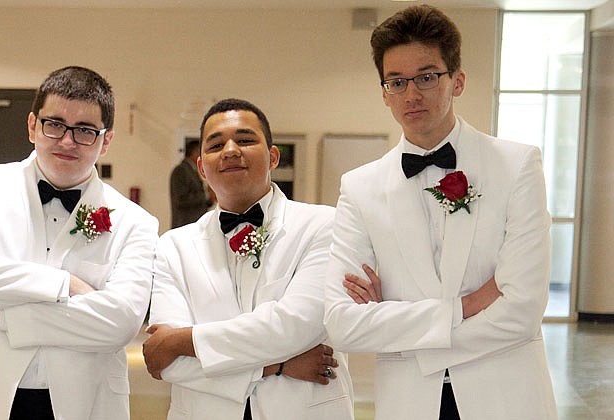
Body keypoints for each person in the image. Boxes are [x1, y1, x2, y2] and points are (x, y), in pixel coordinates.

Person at [323, 5, 557, 420]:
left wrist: (397, 325)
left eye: (427, 77)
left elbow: (522, 310)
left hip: (506, 397)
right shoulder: (358, 188)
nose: (411, 94)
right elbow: (343, 323)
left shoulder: (517, 166)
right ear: (383, 91)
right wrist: (465, 306)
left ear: (458, 80)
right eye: (396, 81)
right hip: (408, 403)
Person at [0, 66, 159, 420]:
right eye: (55, 124)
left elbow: (120, 322)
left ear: (106, 140)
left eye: (85, 131)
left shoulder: (135, 221)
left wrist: (6, 311)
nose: (67, 141)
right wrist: (67, 285)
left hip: (83, 400)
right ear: (32, 125)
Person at [143, 98, 354, 419]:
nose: (230, 150)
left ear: (272, 157)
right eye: (216, 145)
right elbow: (169, 363)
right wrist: (277, 366)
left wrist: (182, 340)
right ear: (201, 166)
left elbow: (294, 326)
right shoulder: (172, 246)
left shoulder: (324, 226)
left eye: (245, 140)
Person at [170, 139, 214, 228]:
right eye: (201, 152)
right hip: (184, 224)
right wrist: (206, 195)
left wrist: (210, 199)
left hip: (195, 224)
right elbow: (181, 199)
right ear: (194, 152)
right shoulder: (180, 170)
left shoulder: (192, 170)